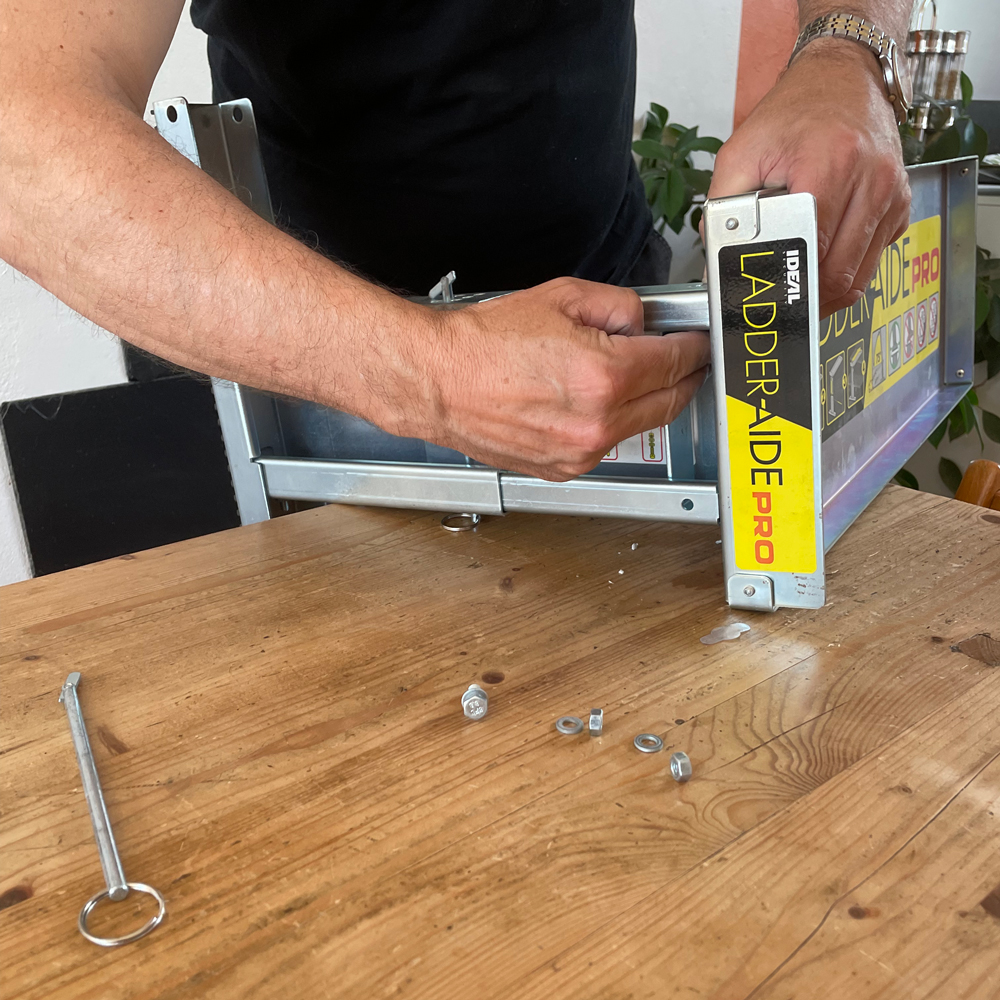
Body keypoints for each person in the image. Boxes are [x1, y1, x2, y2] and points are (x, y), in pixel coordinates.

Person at [0, 2, 911, 482]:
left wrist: (844, 54)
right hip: (314, 386)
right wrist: (435, 376)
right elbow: (20, 132)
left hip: (615, 317)